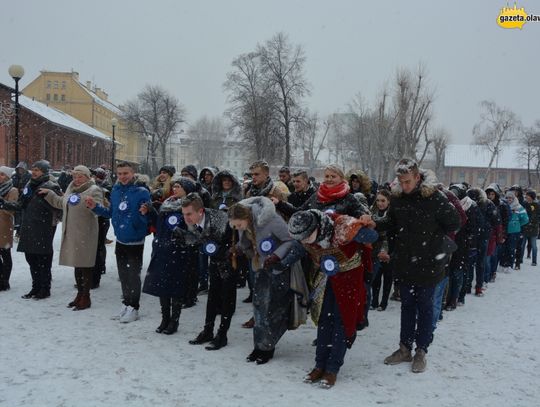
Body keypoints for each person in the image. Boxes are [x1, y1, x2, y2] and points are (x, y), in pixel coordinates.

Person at [377, 159, 460, 373]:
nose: (404, 186)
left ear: (417, 177)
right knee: (407, 307)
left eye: (408, 182)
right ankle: (404, 348)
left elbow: (455, 223)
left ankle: (421, 351)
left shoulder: (434, 198)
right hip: (405, 263)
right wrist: (373, 223)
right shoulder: (398, 199)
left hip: (429, 265)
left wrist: (434, 240)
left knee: (424, 309)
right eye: (401, 182)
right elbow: (391, 223)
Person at [289, 209, 377, 389]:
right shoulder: (305, 233)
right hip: (325, 280)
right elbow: (298, 249)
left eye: (307, 237)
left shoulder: (343, 226)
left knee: (342, 322)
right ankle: (319, 364)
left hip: (348, 282)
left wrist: (367, 224)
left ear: (316, 228)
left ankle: (333, 368)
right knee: (324, 320)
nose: (305, 242)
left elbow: (372, 236)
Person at [228, 197, 305, 364]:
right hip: (260, 267)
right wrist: (238, 249)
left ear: (247, 218)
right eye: (234, 226)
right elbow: (247, 242)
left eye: (238, 225)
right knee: (259, 307)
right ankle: (259, 346)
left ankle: (268, 346)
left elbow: (290, 240)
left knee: (274, 308)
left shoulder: (271, 220)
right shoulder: (243, 223)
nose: (237, 228)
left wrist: (277, 256)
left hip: (279, 269)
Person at [86, 161, 151, 323]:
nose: (122, 177)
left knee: (133, 276)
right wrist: (95, 207)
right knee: (123, 275)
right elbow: (110, 213)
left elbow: (148, 214)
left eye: (126, 173)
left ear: (133, 173)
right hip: (120, 239)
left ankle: (134, 308)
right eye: (120, 174)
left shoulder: (141, 191)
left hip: (135, 241)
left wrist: (142, 216)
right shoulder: (115, 191)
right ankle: (126, 304)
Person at [177, 193, 237, 350]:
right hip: (216, 261)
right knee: (212, 296)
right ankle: (208, 331)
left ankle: (222, 334)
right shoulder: (195, 220)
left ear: (200, 211)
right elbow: (200, 240)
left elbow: (231, 241)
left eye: (189, 214)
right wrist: (184, 237)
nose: (186, 218)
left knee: (227, 298)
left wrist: (223, 251)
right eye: (184, 214)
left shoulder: (220, 219)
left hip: (232, 260)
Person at [40, 166, 103, 310]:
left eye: (80, 176)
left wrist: (93, 206)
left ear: (87, 177)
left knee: (85, 266)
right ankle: (79, 294)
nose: (77, 179)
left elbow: (99, 209)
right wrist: (49, 194)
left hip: (86, 234)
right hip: (72, 234)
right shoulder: (71, 189)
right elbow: (61, 203)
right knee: (77, 264)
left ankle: (86, 297)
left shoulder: (94, 190)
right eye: (75, 176)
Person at [141, 179, 198, 335]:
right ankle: (165, 318)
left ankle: (174, 321)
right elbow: (160, 224)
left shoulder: (191, 204)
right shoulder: (167, 203)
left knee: (175, 287)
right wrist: (151, 212)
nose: (175, 188)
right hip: (162, 250)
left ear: (187, 189)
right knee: (162, 286)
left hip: (179, 251)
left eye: (179, 186)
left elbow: (194, 230)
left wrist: (182, 235)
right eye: (174, 186)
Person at [0, 160, 62, 299]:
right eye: (33, 169)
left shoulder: (51, 186)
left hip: (43, 228)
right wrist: (5, 204)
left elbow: (59, 206)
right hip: (28, 227)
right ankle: (35, 288)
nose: (34, 172)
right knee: (31, 259)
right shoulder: (29, 185)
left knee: (43, 261)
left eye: (38, 170)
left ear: (45, 172)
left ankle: (45, 289)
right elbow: (21, 204)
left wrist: (53, 217)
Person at [370, 189, 393, 311]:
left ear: (388, 201)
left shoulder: (392, 214)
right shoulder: (372, 212)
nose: (380, 203)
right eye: (378, 200)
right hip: (374, 248)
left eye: (383, 201)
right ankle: (374, 301)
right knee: (376, 276)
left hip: (388, 247)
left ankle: (383, 302)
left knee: (388, 276)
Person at [91, 168, 113, 288]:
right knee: (96, 246)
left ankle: (99, 269)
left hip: (102, 219)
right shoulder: (91, 186)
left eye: (96, 176)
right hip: (94, 219)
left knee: (99, 245)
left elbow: (109, 205)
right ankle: (97, 269)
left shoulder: (106, 188)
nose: (94, 178)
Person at [500, 191, 529, 272]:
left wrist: (517, 224)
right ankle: (502, 264)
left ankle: (509, 265)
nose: (509, 199)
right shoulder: (503, 206)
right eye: (507, 198)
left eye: (510, 198)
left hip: (514, 232)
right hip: (504, 231)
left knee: (511, 248)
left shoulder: (519, 207)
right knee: (503, 248)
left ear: (514, 198)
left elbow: (525, 219)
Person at [0, 166, 18, 291]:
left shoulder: (13, 190)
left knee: (5, 254)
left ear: (7, 176)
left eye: (2, 174)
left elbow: (12, 209)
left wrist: (2, 202)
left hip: (4, 226)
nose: (0, 177)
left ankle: (5, 281)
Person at [521, 191, 539, 266]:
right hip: (524, 228)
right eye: (526, 195)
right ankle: (520, 259)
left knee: (534, 245)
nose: (526, 197)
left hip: (534, 228)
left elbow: (538, 216)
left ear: (532, 196)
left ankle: (534, 261)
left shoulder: (537, 205)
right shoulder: (524, 204)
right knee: (522, 245)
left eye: (528, 195)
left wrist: (536, 223)